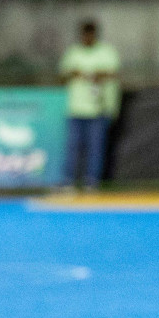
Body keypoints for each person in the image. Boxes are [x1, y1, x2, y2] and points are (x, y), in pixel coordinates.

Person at [59, 19, 120, 190]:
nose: (87, 38)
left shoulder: (106, 52)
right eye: (84, 35)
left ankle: (91, 182)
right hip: (76, 109)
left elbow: (113, 73)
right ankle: (68, 181)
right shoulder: (74, 52)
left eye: (90, 35)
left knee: (95, 148)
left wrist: (94, 74)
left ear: (95, 35)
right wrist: (75, 73)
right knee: (72, 147)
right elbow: (63, 75)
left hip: (97, 109)